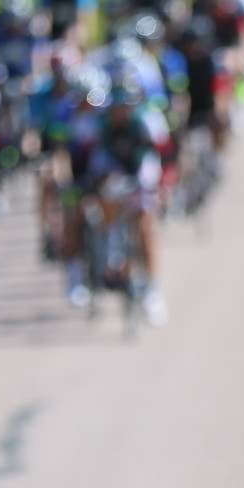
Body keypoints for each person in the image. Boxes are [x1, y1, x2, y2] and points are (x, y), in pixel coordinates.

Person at [81, 80, 171, 325]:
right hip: (112, 168)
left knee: (145, 227)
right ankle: (110, 253)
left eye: (126, 107)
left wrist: (163, 185)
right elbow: (92, 159)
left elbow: (164, 155)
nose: (121, 112)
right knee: (106, 201)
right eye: (117, 107)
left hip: (142, 167)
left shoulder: (149, 121)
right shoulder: (100, 125)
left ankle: (152, 291)